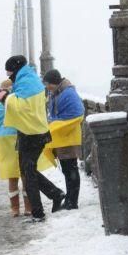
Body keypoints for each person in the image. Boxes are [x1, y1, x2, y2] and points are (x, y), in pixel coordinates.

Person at [0, 55, 65, 222]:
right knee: (28, 171)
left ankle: (38, 213)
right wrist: (0, 95)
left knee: (28, 174)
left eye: (10, 73)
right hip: (34, 132)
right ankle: (55, 194)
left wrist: (3, 97)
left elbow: (19, 107)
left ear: (16, 69)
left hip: (32, 134)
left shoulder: (26, 83)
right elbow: (18, 98)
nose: (9, 77)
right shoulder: (29, 79)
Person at [0, 79, 55, 217]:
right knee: (25, 176)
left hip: (7, 145)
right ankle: (27, 207)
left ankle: (15, 209)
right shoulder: (17, 104)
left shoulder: (2, 107)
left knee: (13, 177)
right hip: (20, 142)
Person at [42, 69, 85, 210]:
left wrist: (57, 123)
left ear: (54, 82)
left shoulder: (68, 93)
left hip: (68, 137)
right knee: (68, 170)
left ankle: (72, 202)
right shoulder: (58, 92)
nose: (47, 87)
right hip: (63, 138)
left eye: (48, 84)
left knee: (71, 169)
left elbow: (77, 112)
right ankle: (70, 200)